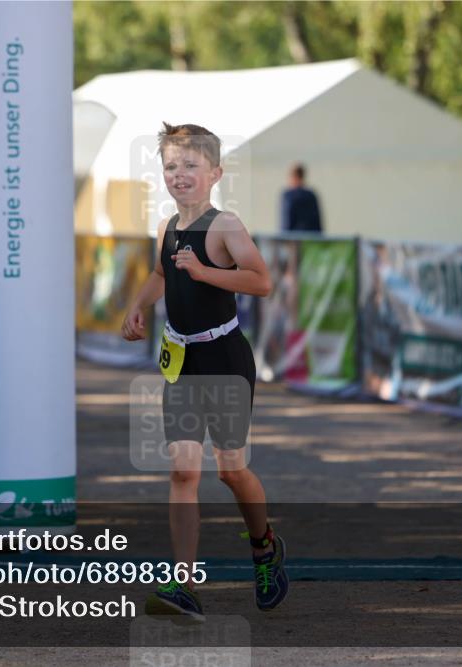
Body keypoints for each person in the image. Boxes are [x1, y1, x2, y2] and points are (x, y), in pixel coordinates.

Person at [121, 122, 288, 622]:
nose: (179, 174)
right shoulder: (168, 228)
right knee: (182, 468)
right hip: (182, 360)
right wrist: (139, 306)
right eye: (171, 166)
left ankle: (264, 546)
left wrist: (203, 271)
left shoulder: (226, 226)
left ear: (215, 172)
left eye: (190, 165)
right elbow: (160, 273)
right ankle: (186, 585)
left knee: (231, 470)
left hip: (225, 359)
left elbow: (261, 282)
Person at [281, 163, 323, 233]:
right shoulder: (311, 195)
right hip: (311, 238)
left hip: (293, 239)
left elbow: (286, 222)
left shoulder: (288, 196)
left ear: (294, 177)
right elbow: (318, 223)